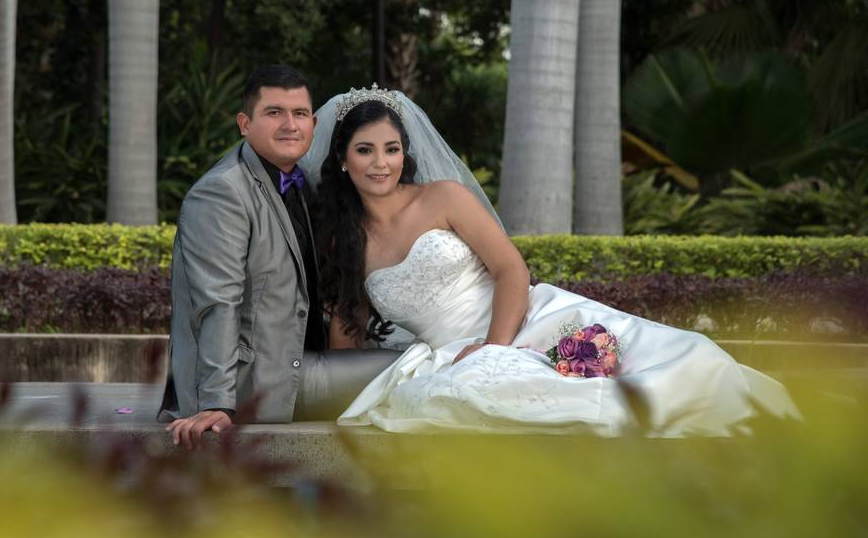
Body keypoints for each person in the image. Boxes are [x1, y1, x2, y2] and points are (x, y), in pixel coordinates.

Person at [304, 86, 800, 436]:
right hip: (449, 356)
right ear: (344, 160)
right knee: (478, 398)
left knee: (684, 361)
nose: (380, 162)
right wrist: (333, 389)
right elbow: (348, 326)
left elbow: (510, 269)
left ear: (404, 153)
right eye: (365, 150)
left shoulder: (443, 198)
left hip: (522, 318)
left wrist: (494, 349)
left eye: (391, 149)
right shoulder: (343, 242)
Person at [158, 66, 400, 448]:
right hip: (254, 384)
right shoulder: (223, 193)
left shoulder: (299, 182)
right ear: (244, 123)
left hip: (293, 362)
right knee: (411, 368)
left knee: (419, 359)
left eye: (299, 114)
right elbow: (217, 302)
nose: (290, 124)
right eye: (274, 113)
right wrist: (219, 403)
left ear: (314, 123)